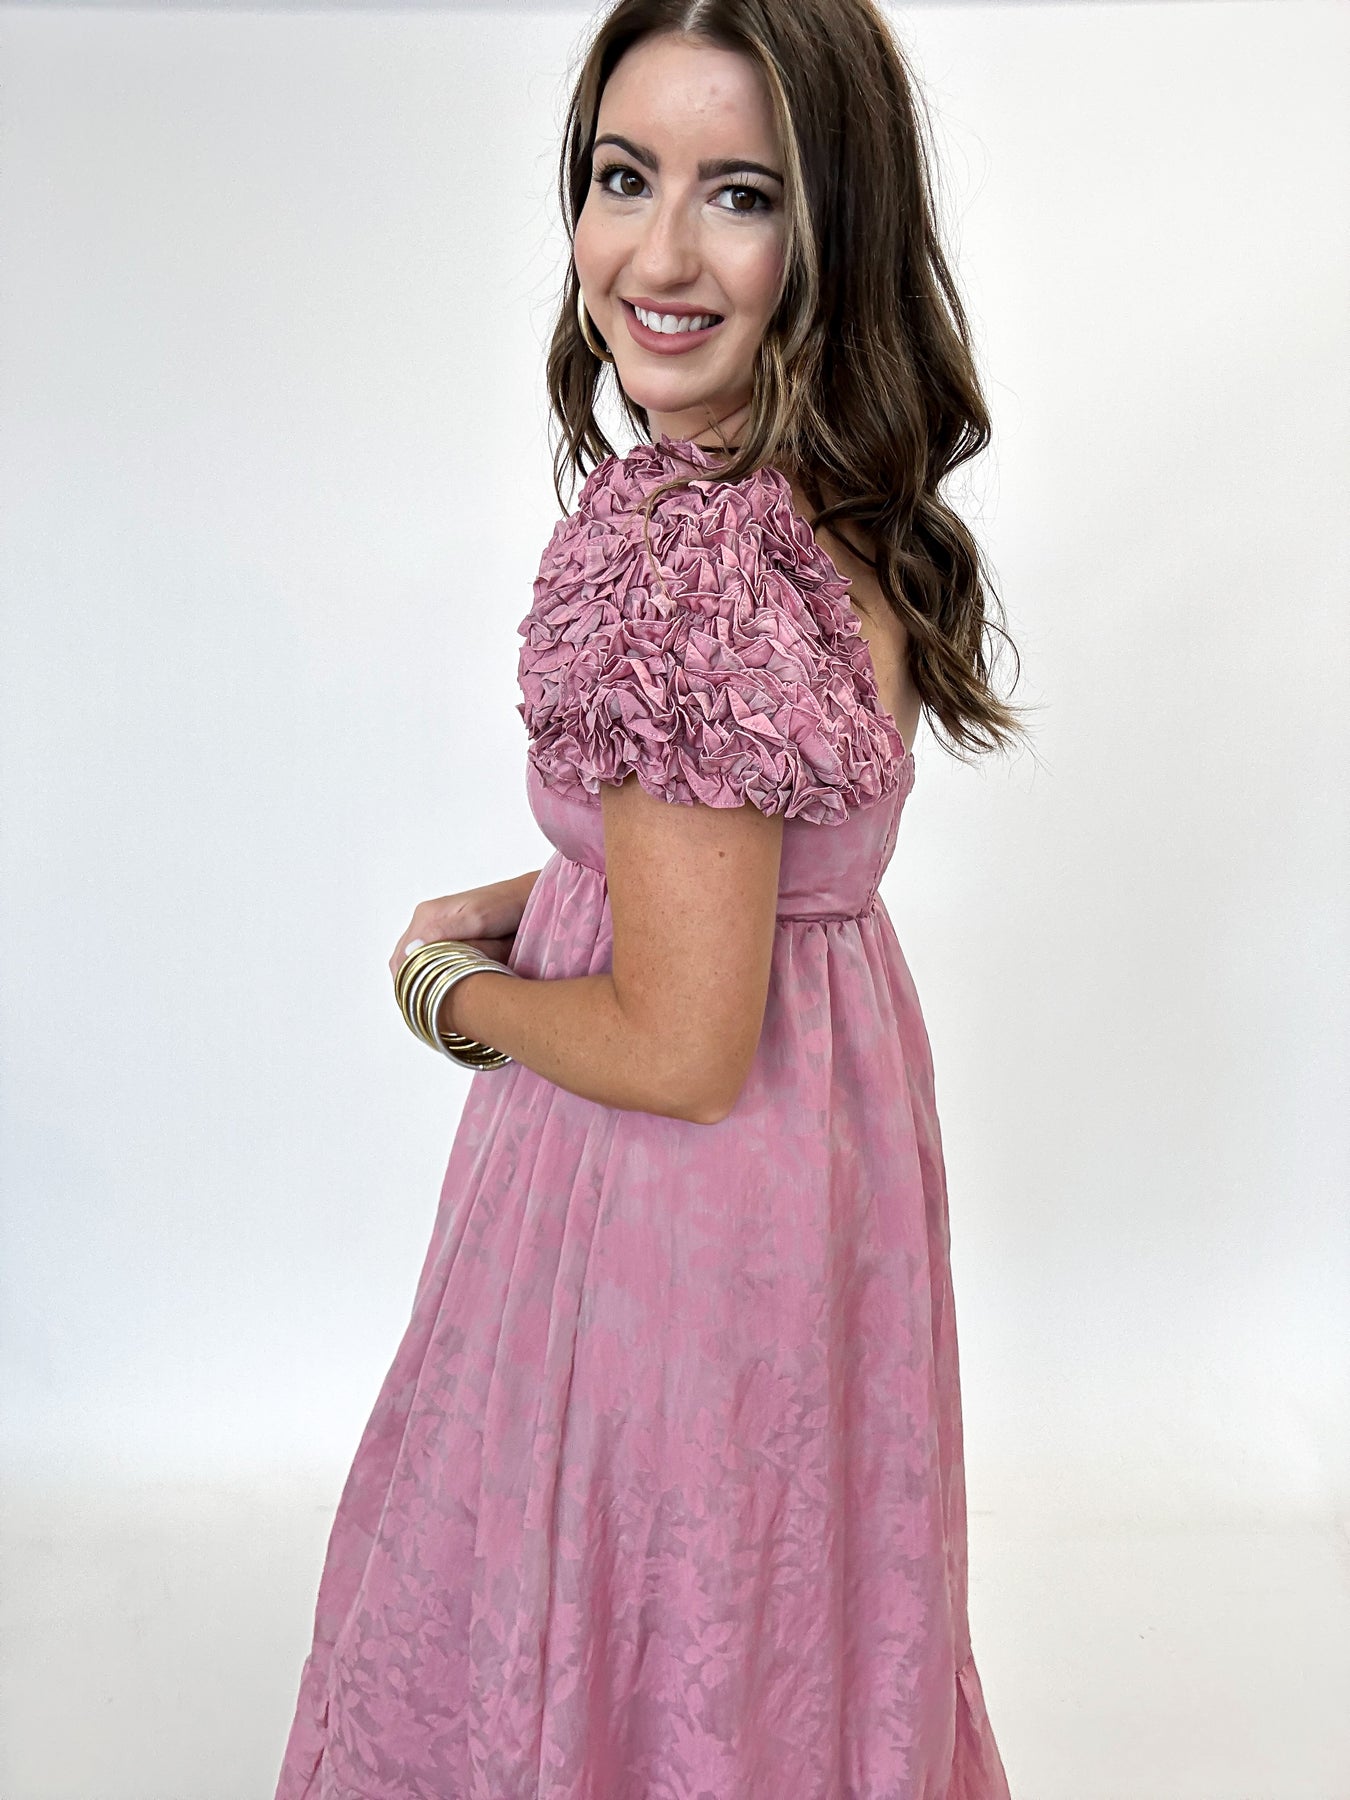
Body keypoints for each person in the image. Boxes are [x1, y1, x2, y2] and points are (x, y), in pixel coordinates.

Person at [274, 2, 1025, 1795]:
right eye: (624, 178)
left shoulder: (687, 555)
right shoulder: (828, 505)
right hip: (823, 1172)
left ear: (827, 227)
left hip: (662, 1220)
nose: (658, 256)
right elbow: (762, 866)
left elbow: (679, 1045)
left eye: (737, 195)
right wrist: (548, 892)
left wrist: (446, 991)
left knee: (614, 1626)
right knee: (773, 1627)